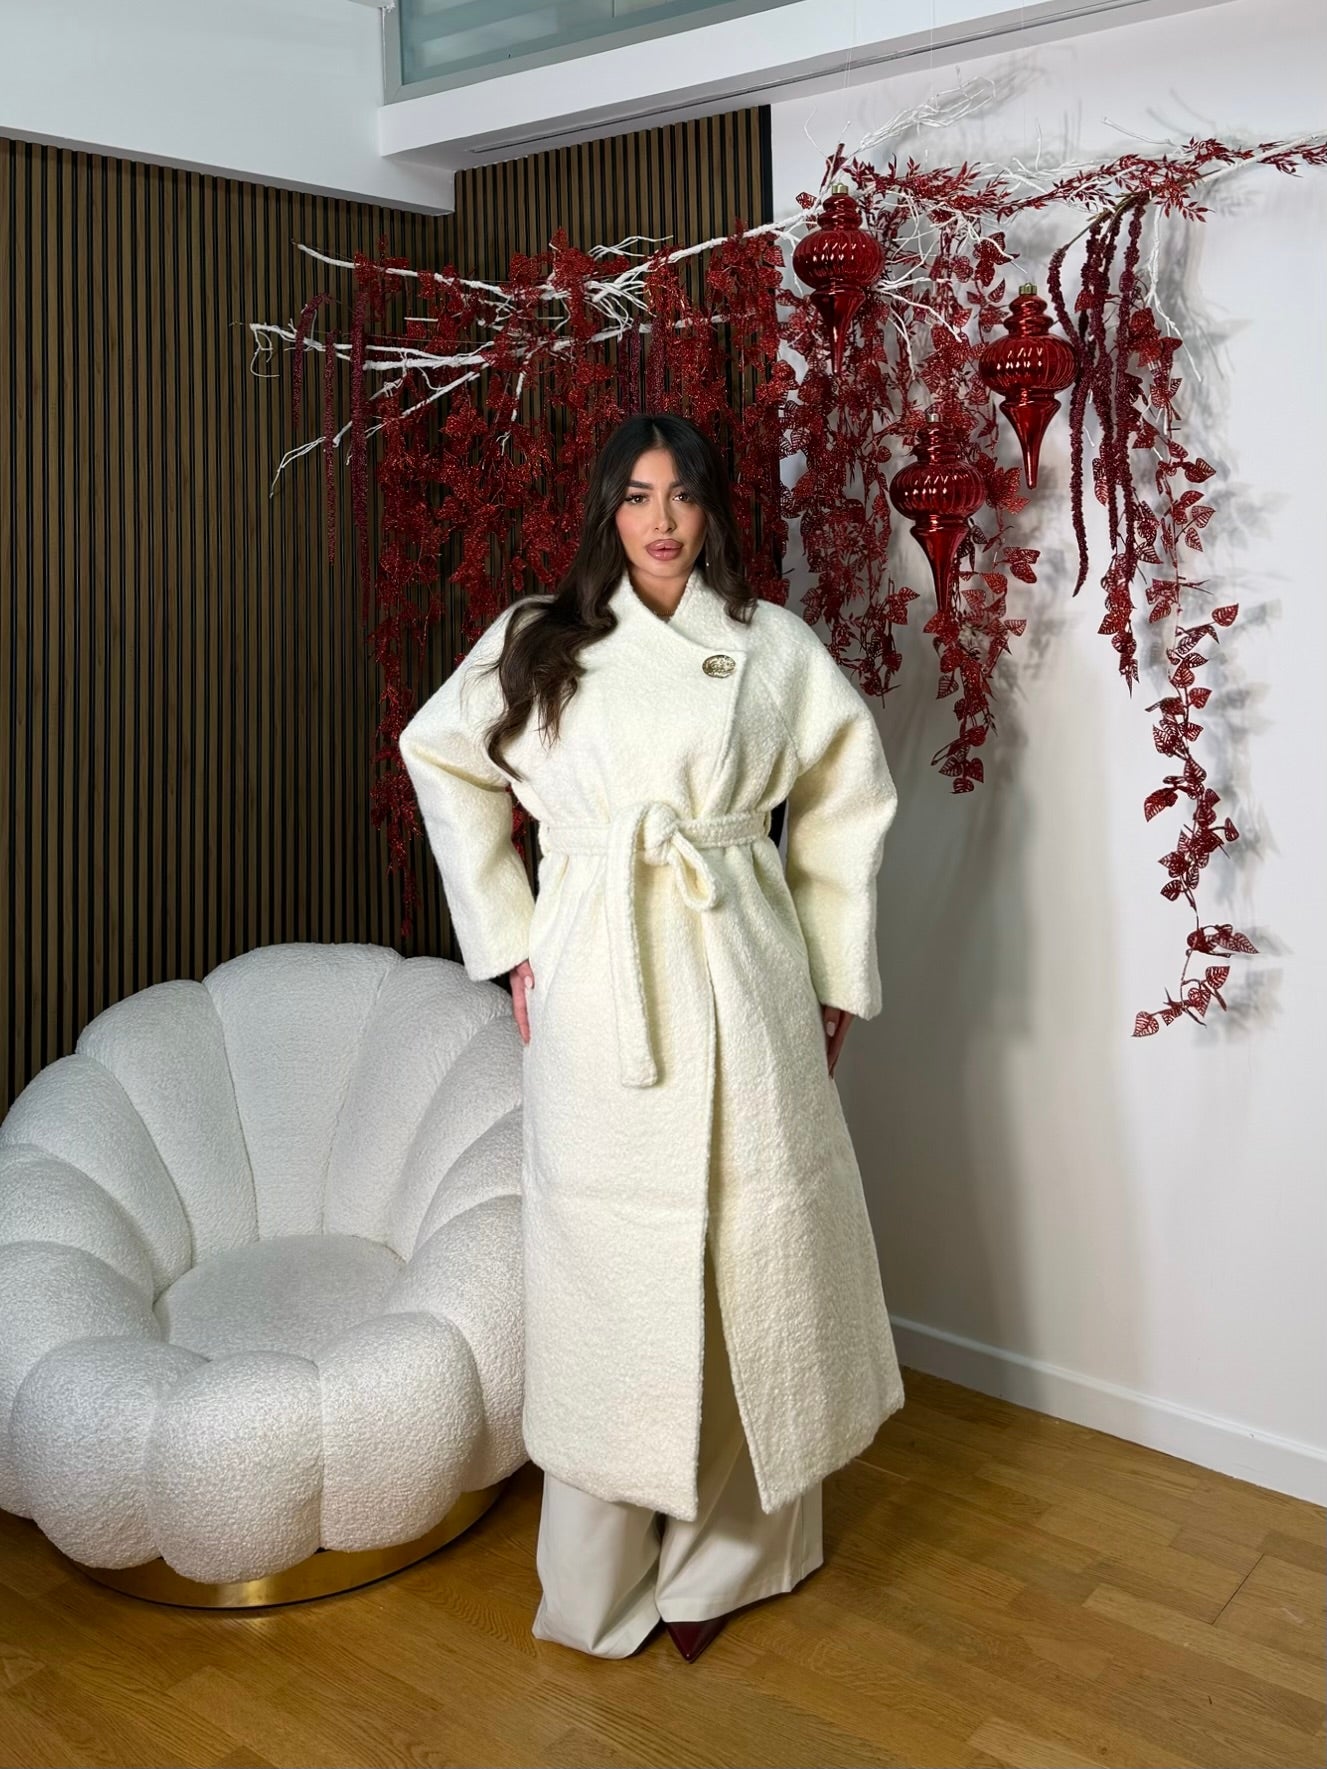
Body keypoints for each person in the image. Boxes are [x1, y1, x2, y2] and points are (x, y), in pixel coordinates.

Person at [398, 412, 907, 1662]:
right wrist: (510, 938)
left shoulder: (769, 643)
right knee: (604, 1266)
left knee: (754, 1252)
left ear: (711, 506)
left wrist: (831, 974)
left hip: (742, 963)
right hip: (598, 974)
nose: (661, 520)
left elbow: (847, 796)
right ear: (606, 511)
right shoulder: (539, 638)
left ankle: (734, 1552)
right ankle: (596, 1576)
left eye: (680, 494)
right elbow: (438, 752)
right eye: (635, 495)